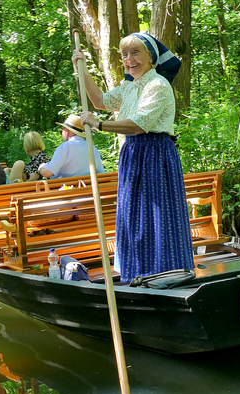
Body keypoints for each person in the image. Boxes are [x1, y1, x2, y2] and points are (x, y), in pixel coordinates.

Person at [73, 30, 194, 283]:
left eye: (135, 52)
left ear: (150, 57)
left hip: (155, 153)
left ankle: (165, 273)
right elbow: (99, 101)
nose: (129, 59)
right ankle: (136, 273)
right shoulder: (129, 87)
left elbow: (139, 124)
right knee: (133, 215)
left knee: (158, 215)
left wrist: (99, 126)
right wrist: (82, 67)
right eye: (125, 54)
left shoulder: (158, 84)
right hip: (133, 153)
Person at [38, 114, 104, 179]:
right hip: (89, 187)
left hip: (67, 188)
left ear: (67, 131)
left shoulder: (65, 147)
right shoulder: (92, 148)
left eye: (61, 131)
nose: (61, 134)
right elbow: (101, 172)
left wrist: (42, 167)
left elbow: (47, 173)